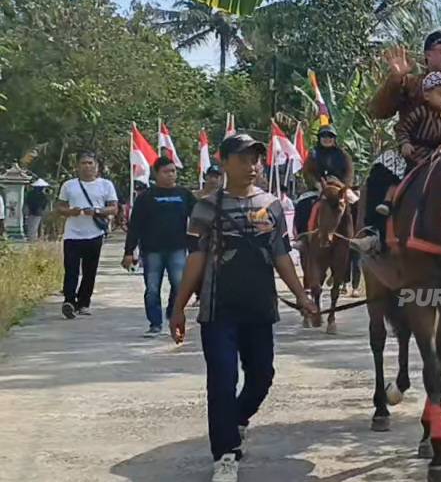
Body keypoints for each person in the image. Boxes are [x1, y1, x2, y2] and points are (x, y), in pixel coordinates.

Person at [169, 134, 318, 482]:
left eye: (256, 159)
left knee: (262, 376)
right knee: (221, 380)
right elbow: (196, 258)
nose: (252, 166)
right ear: (224, 162)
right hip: (217, 308)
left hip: (260, 306)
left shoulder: (272, 205)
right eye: (243, 159)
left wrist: (301, 296)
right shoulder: (205, 207)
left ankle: (235, 420)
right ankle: (225, 454)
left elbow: (281, 255)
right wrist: (178, 307)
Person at [356, 29, 441, 253]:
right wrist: (395, 80)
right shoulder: (410, 83)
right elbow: (378, 111)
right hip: (411, 152)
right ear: (428, 55)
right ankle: (373, 234)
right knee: (379, 172)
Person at [123, 157, 197, 338]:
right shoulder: (146, 197)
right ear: (156, 173)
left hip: (178, 248)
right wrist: (128, 252)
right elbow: (135, 226)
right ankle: (155, 323)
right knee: (153, 289)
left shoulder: (184, 194)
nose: (171, 175)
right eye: (166, 171)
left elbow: (198, 219)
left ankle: (173, 313)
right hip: (152, 250)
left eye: (173, 171)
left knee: (179, 285)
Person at [376, 70, 441, 216]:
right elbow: (401, 129)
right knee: (400, 174)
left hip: (434, 155)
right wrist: (405, 143)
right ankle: (388, 201)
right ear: (427, 95)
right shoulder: (420, 112)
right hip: (413, 152)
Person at [56, 152, 118, 319]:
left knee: (89, 271)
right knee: (71, 270)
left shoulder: (105, 185)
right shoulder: (69, 185)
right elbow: (60, 207)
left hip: (94, 234)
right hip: (72, 235)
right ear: (77, 166)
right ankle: (69, 301)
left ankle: (84, 303)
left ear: (97, 166)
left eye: (90, 163)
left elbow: (113, 208)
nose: (87, 166)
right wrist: (71, 211)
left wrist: (97, 211)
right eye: (83, 163)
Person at [292, 125, 354, 250]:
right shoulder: (313, 154)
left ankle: (357, 242)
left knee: (356, 205)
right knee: (302, 205)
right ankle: (303, 238)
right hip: (318, 189)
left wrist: (341, 186)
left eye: (330, 136)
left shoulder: (343, 155)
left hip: (340, 188)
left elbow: (349, 173)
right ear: (319, 138)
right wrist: (316, 184)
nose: (327, 139)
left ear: (334, 138)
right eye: (324, 136)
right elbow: (307, 172)